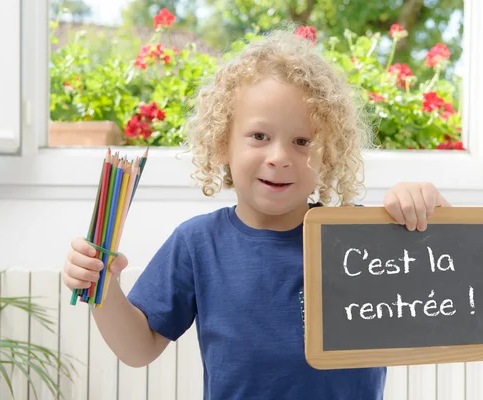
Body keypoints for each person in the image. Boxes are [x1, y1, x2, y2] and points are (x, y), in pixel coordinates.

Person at [63, 26, 451, 400]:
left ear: (328, 156)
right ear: (221, 143)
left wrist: (427, 203)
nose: (279, 157)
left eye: (302, 141)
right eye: (259, 137)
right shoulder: (198, 243)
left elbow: (455, 275)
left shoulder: (356, 236)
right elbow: (139, 349)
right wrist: (105, 288)